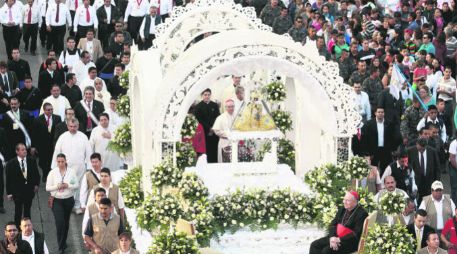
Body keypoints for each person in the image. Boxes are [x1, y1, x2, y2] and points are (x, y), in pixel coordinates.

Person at [52, 118, 92, 214]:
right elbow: (57, 152)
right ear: (67, 126)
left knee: (79, 187)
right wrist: (54, 167)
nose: (73, 128)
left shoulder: (83, 137)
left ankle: (77, 205)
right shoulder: (62, 137)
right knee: (67, 186)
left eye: (75, 126)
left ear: (78, 126)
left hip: (80, 167)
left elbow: (89, 152)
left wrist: (90, 167)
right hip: (66, 168)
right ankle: (67, 205)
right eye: (71, 126)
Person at [46, 153, 78, 254]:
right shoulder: (52, 172)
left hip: (68, 200)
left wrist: (67, 185)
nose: (60, 163)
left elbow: (76, 185)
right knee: (60, 223)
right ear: (56, 162)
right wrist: (57, 186)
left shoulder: (71, 172)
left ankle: (63, 242)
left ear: (65, 161)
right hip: (57, 200)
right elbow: (47, 187)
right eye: (59, 162)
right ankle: (60, 247)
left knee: (66, 222)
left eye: (62, 161)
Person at [5, 143, 40, 227]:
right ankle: (17, 228)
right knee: (18, 211)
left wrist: (36, 184)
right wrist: (9, 193)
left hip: (29, 191)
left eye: (25, 149)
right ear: (17, 151)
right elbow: (8, 180)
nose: (25, 151)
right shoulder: (11, 164)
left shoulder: (31, 160)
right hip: (17, 192)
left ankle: (27, 228)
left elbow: (36, 174)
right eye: (22, 150)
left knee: (27, 211)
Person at [361, 107, 400, 176]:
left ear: (384, 113)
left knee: (385, 169)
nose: (380, 114)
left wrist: (392, 149)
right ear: (375, 113)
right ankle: (373, 184)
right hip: (373, 150)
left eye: (382, 112)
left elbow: (394, 137)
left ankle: (383, 184)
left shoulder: (389, 124)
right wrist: (367, 152)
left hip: (385, 150)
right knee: (372, 169)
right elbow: (365, 138)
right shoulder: (369, 124)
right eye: (379, 112)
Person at [31, 102, 61, 182]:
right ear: (44, 110)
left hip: (53, 144)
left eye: (51, 109)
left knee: (53, 160)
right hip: (42, 145)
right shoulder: (37, 120)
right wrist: (33, 146)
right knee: (43, 161)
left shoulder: (57, 118)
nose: (50, 111)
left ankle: (53, 176)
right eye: (48, 110)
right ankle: (45, 174)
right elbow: (34, 134)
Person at [408, 138, 441, 205]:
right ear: (417, 144)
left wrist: (437, 181)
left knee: (427, 200)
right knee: (415, 200)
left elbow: (437, 168)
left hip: (429, 180)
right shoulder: (410, 151)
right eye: (420, 149)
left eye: (423, 149)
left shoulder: (432, 151)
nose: (421, 151)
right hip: (416, 180)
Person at [194, 88, 220, 163]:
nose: (207, 96)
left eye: (208, 95)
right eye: (205, 95)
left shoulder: (214, 105)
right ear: (202, 96)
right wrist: (208, 128)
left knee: (214, 149)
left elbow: (217, 117)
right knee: (205, 150)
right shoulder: (198, 107)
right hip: (204, 132)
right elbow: (199, 119)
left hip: (214, 132)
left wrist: (213, 128)